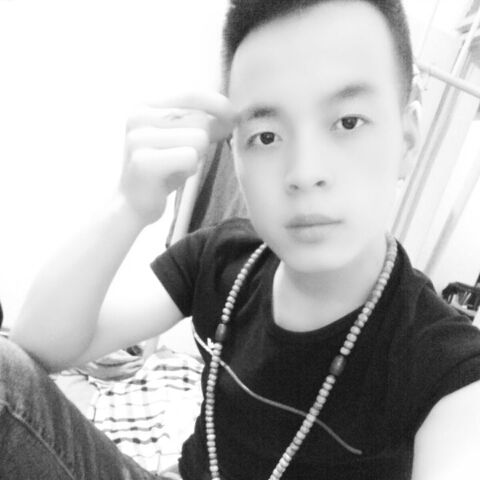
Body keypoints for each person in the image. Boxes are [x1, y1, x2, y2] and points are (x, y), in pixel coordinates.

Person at [2, 0, 480, 479]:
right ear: (236, 154)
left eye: (348, 122)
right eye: (266, 136)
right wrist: (129, 205)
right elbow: (38, 348)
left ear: (407, 136)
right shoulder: (224, 259)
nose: (305, 172)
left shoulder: (447, 367)